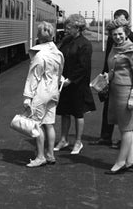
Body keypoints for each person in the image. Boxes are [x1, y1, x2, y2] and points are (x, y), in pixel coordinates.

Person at [91, 9, 133, 148]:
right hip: (112, 79)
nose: (117, 22)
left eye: (120, 19)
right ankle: (106, 137)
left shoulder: (132, 39)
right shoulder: (112, 37)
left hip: (125, 84)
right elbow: (110, 57)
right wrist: (105, 75)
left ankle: (124, 148)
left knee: (125, 119)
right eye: (115, 19)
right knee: (109, 110)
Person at [103, 18, 133, 174]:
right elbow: (113, 67)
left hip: (126, 91)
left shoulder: (132, 50)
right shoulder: (115, 48)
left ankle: (120, 162)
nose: (117, 37)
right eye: (114, 34)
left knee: (126, 128)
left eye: (120, 34)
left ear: (126, 32)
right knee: (124, 127)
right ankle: (131, 161)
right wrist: (107, 77)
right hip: (115, 90)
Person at [22, 22, 64, 167]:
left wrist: (27, 97)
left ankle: (40, 157)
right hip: (53, 91)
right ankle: (50, 154)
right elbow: (59, 74)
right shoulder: (58, 53)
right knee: (49, 124)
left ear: (39, 36)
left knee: (36, 124)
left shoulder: (40, 55)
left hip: (41, 92)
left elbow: (33, 78)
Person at [54, 14, 95, 155]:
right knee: (64, 112)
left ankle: (78, 141)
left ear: (78, 28)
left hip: (77, 84)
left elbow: (83, 67)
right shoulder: (66, 41)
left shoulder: (85, 44)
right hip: (64, 82)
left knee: (78, 113)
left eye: (69, 27)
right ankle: (64, 139)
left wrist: (70, 80)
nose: (66, 29)